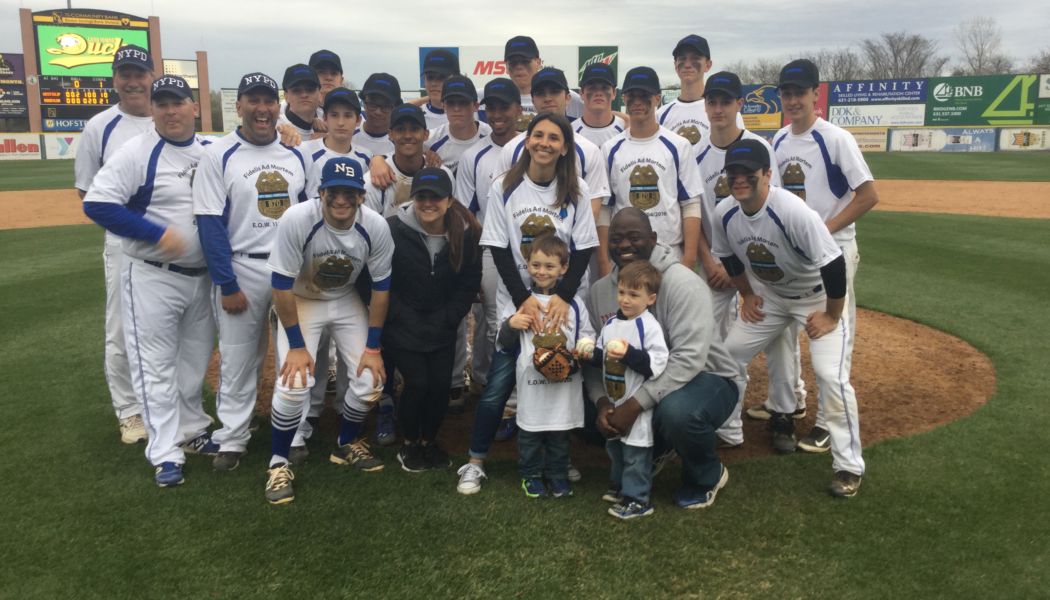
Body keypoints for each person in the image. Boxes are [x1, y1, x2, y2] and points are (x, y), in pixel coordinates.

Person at [711, 138, 864, 498]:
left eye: (747, 172)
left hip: (815, 298)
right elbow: (728, 257)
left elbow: (834, 262)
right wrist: (747, 294)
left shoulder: (794, 212)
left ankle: (848, 465)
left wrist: (831, 314)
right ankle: (726, 429)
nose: (739, 179)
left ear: (767, 174)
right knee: (727, 356)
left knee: (831, 375)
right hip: (771, 298)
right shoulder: (724, 212)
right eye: (733, 172)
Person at [82, 75, 215, 486]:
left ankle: (192, 430)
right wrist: (155, 234)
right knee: (154, 366)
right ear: (153, 110)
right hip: (153, 276)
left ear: (194, 107)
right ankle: (164, 451)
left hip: (202, 277)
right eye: (162, 104)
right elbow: (98, 203)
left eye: (178, 102)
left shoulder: (210, 149)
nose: (170, 111)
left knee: (193, 363)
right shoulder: (137, 152)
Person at [456, 113, 598, 495]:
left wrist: (564, 297)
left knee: (560, 379)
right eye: (538, 135)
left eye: (554, 137)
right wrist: (524, 302)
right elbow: (499, 248)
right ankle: (475, 461)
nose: (545, 143)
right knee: (499, 387)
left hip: (561, 307)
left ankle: (559, 460)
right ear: (527, 141)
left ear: (565, 146)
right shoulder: (505, 185)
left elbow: (584, 248)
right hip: (518, 307)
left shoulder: (577, 189)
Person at [756, 59, 879, 454]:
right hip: (793, 255)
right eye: (786, 93)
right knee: (784, 330)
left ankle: (827, 422)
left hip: (836, 247)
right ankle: (791, 401)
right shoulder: (777, 141)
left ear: (815, 94)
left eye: (799, 92)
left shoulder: (835, 138)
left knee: (833, 330)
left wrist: (823, 232)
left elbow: (868, 195)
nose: (792, 100)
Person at [584, 208, 739, 509]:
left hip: (708, 379)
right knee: (585, 411)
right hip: (638, 383)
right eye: (616, 239)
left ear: (653, 239)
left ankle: (707, 476)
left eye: (634, 237)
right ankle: (656, 446)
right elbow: (596, 359)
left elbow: (690, 359)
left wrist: (633, 405)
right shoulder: (602, 291)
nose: (624, 245)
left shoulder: (682, 283)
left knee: (677, 412)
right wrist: (603, 403)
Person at [193, 72, 307, 471]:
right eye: (253, 101)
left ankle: (293, 431)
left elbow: (311, 216)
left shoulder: (296, 153)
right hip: (244, 266)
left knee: (294, 351)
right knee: (240, 358)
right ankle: (233, 437)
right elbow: (209, 223)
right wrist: (226, 282)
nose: (262, 109)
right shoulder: (218, 154)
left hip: (291, 269)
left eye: (268, 101)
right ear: (239, 105)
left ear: (278, 106)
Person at [264, 157, 394, 504]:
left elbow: (382, 289)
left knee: (371, 380)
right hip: (301, 298)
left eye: (349, 193)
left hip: (343, 297)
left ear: (361, 197)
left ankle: (346, 441)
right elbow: (280, 285)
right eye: (333, 192)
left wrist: (373, 347)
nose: (341, 200)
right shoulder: (297, 218)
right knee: (294, 381)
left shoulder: (375, 226)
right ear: (320, 192)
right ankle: (278, 462)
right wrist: (295, 345)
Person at [692, 71, 790, 449]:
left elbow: (773, 209)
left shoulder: (759, 148)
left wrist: (745, 272)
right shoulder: (696, 152)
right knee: (709, 342)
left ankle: (783, 411)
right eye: (712, 101)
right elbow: (694, 214)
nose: (718, 108)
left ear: (739, 104)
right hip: (714, 263)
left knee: (776, 339)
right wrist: (711, 261)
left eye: (725, 101)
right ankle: (725, 422)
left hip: (757, 263)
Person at [74, 44, 155, 445]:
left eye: (139, 73)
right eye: (125, 73)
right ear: (115, 78)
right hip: (124, 244)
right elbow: (89, 196)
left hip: (174, 248)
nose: (132, 81)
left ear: (151, 77)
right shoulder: (100, 126)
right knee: (121, 328)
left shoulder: (170, 117)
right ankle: (129, 412)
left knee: (173, 327)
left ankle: (169, 405)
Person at [291, 86, 373, 463]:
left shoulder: (370, 158)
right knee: (311, 351)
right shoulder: (305, 151)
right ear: (327, 117)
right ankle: (305, 418)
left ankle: (342, 411)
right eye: (335, 114)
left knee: (343, 344)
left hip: (349, 269)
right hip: (307, 263)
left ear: (358, 121)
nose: (341, 122)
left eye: (348, 115)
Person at [385, 168, 482, 471]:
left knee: (440, 386)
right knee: (418, 383)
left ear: (449, 200)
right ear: (413, 198)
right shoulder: (392, 229)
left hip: (442, 324)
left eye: (436, 197)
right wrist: (401, 315)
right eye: (422, 197)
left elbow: (468, 281)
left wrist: (451, 316)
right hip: (403, 324)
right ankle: (410, 443)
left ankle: (430, 441)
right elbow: (378, 280)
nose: (428, 203)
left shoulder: (464, 234)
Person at [498, 233, 593, 499]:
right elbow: (503, 342)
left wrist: (584, 347)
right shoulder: (520, 302)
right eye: (536, 265)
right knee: (529, 436)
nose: (542, 271)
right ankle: (530, 475)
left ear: (564, 269)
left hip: (564, 385)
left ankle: (558, 476)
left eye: (550, 266)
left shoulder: (574, 303)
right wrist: (511, 324)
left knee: (560, 435)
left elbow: (588, 334)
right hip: (531, 385)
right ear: (527, 264)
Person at [454, 78, 524, 410]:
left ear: (517, 109)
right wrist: (489, 238)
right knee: (496, 324)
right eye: (491, 106)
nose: (497, 113)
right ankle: (500, 397)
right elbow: (464, 209)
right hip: (492, 250)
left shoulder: (533, 145)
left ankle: (531, 390)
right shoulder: (474, 155)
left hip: (533, 252)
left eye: (503, 106)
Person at [581, 260, 668, 519]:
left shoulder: (648, 326)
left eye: (634, 294)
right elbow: (602, 358)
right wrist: (587, 353)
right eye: (622, 292)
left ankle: (638, 500)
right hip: (614, 399)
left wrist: (629, 354)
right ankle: (620, 487)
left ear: (650, 298)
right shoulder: (610, 325)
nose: (626, 300)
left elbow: (657, 365)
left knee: (635, 453)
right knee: (616, 448)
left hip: (636, 404)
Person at [602, 66, 703, 270]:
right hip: (626, 253)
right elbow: (605, 209)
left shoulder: (678, 145)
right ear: (624, 99)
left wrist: (689, 259)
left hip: (669, 252)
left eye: (644, 95)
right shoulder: (611, 149)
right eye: (631, 95)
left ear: (657, 98)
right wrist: (604, 261)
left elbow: (690, 204)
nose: (637, 102)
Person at [656, 34, 743, 149]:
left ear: (708, 65)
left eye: (695, 58)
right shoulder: (661, 115)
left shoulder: (726, 112)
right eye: (682, 59)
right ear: (675, 66)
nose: (687, 64)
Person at [503, 35, 585, 128]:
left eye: (525, 61)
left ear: (538, 62)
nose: (519, 67)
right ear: (506, 66)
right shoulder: (489, 96)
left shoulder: (571, 98)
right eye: (513, 62)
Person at [424, 75, 492, 175]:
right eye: (451, 103)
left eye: (463, 103)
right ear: (443, 106)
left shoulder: (491, 135)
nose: (456, 108)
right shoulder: (430, 142)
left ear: (476, 106)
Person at [571, 62, 625, 147]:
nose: (598, 93)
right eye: (592, 88)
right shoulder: (570, 132)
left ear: (614, 93)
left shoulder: (627, 129)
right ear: (581, 93)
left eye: (605, 88)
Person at [354, 73, 401, 157]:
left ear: (395, 107)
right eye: (372, 104)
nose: (378, 112)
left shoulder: (402, 144)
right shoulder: (348, 135)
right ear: (363, 102)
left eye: (385, 106)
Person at [276, 64, 323, 139]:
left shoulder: (326, 131)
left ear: (320, 94)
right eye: (296, 90)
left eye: (310, 90)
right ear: (286, 96)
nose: (304, 95)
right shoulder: (275, 129)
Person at [419, 48, 458, 128]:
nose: (434, 83)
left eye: (441, 77)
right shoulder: (416, 116)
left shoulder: (473, 110)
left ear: (456, 77)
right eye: (430, 77)